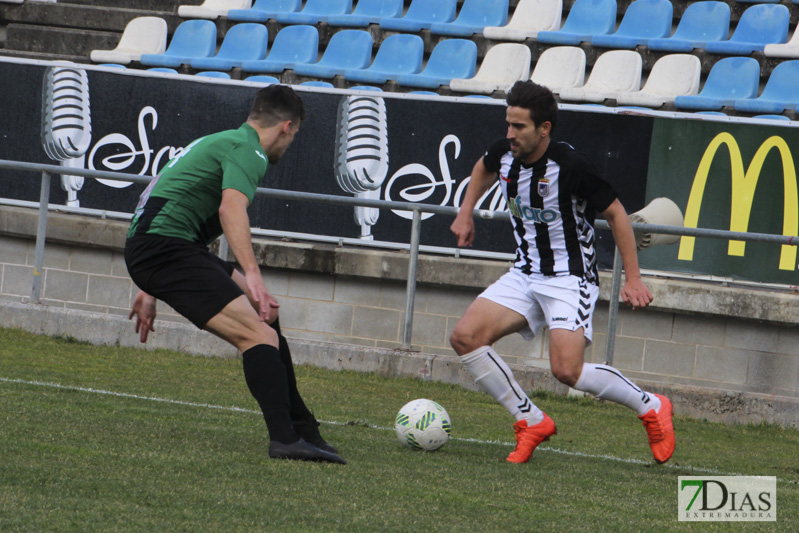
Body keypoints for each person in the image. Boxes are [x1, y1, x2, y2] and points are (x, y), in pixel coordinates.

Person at [449, 80, 675, 465]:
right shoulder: (504, 153)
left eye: (519, 127)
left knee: (566, 371)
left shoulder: (570, 166)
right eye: (508, 124)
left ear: (544, 129)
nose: (510, 134)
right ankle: (530, 420)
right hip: (524, 273)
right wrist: (466, 211)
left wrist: (632, 279)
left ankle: (651, 406)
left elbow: (617, 214)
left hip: (570, 279)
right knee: (465, 338)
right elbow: (483, 168)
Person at [125, 85, 345, 464]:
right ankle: (285, 440)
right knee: (257, 334)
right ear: (285, 128)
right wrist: (253, 274)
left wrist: (148, 289)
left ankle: (304, 428)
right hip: (165, 250)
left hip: (167, 248)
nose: (287, 146)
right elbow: (231, 210)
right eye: (292, 138)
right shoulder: (250, 150)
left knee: (267, 317)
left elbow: (160, 199)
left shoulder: (220, 140)